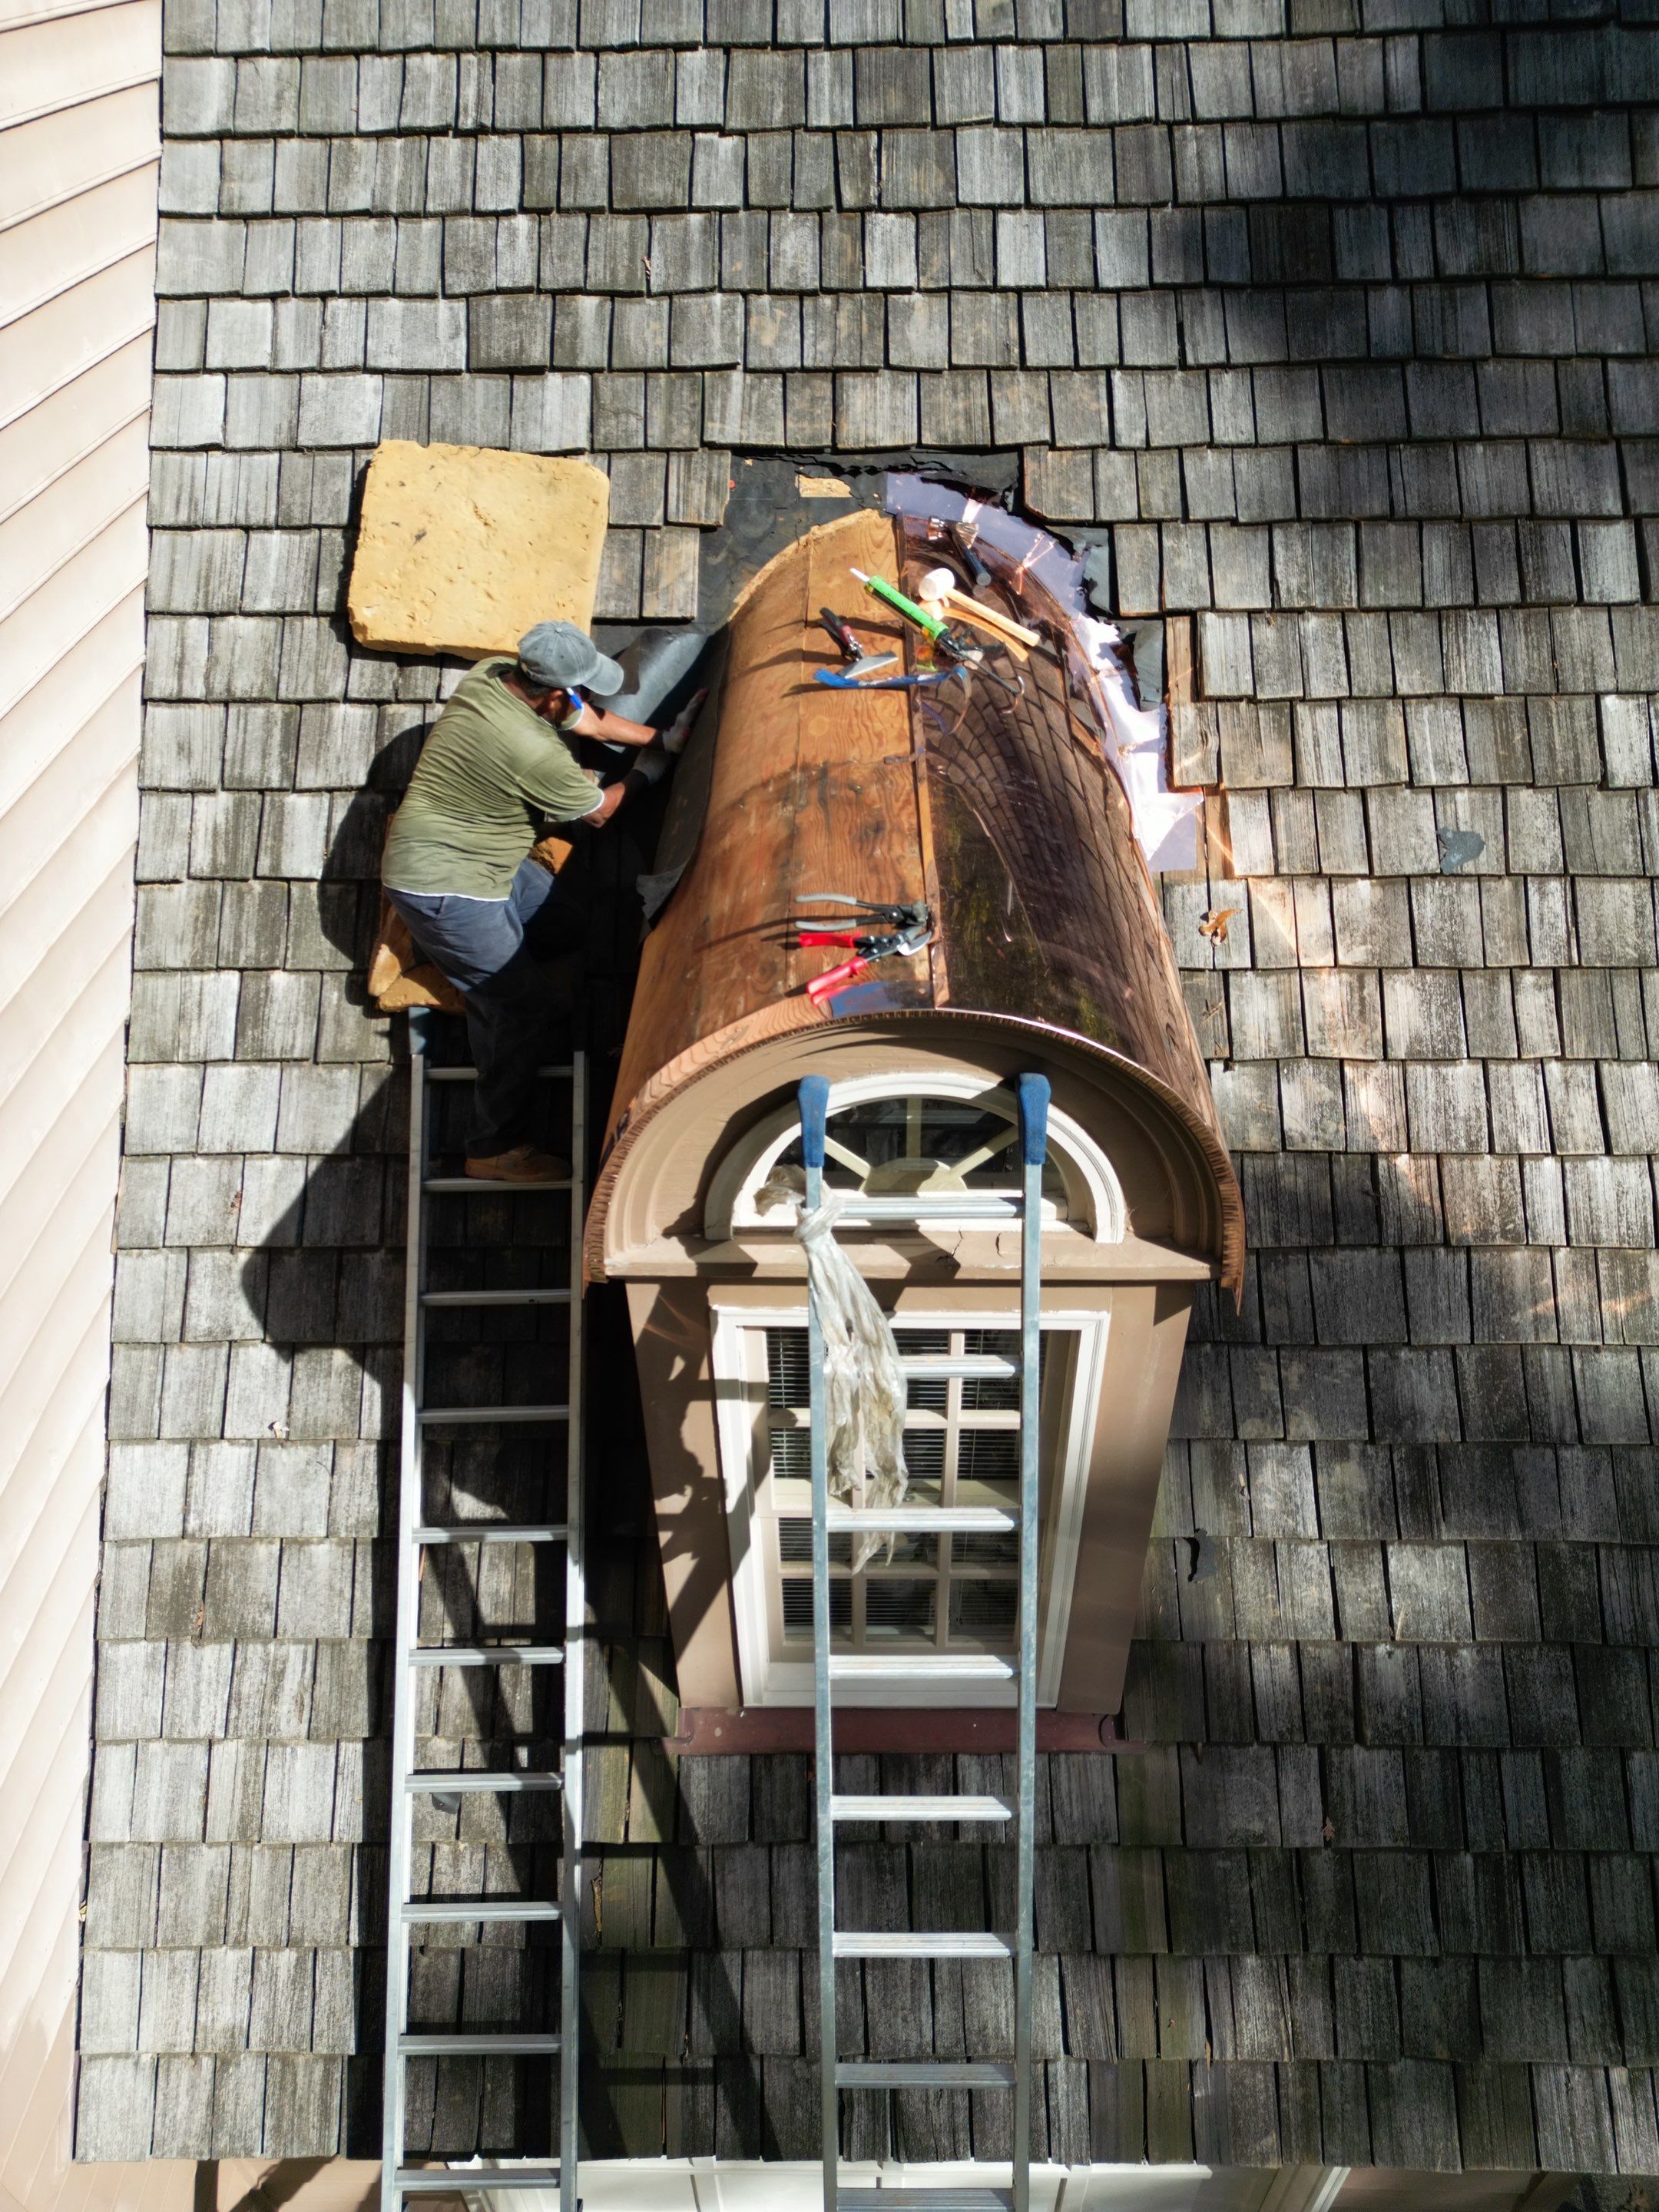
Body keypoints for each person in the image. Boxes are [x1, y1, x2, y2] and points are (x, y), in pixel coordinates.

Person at [382, 619, 697, 1184]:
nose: (580, 701)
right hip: (446, 887)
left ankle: (468, 962)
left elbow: (589, 719)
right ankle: (493, 1145)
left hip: (487, 865)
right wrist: (655, 768)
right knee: (518, 1008)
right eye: (575, 692)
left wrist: (661, 736)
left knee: (564, 925)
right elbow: (601, 811)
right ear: (551, 693)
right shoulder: (532, 751)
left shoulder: (493, 675)